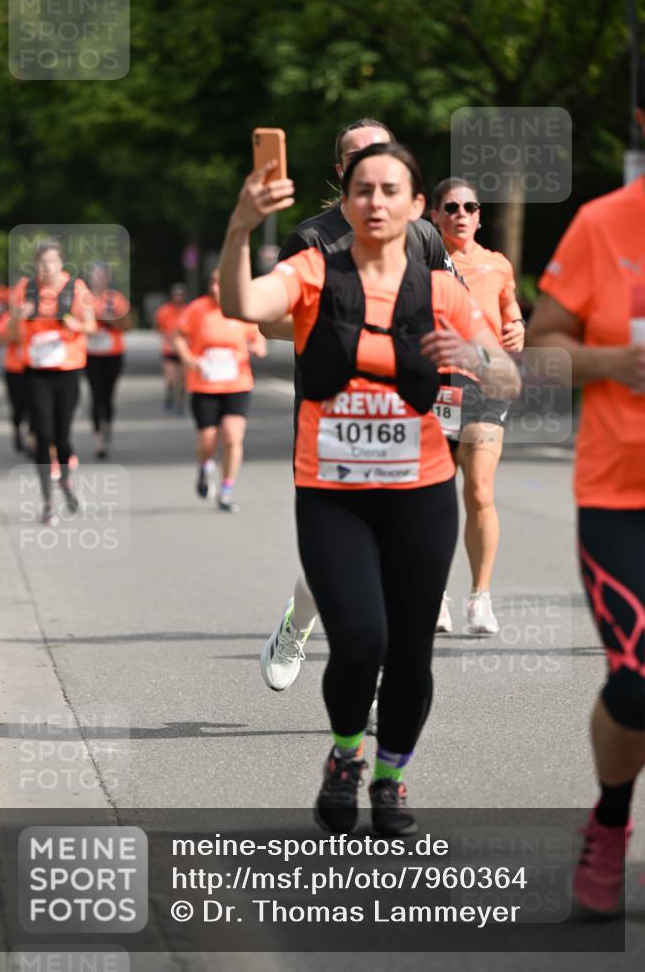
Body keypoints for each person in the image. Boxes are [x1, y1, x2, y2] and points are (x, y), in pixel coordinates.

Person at [219, 143, 520, 835]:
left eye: (390, 190)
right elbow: (242, 302)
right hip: (332, 493)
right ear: (345, 201)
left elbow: (506, 379)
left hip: (418, 492)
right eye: (362, 190)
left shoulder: (441, 288)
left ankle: (389, 776)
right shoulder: (311, 271)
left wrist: (471, 356)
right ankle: (346, 754)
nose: (375, 201)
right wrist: (239, 226)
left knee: (410, 648)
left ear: (415, 207)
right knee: (359, 642)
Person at [260, 118, 459, 694]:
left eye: (380, 151)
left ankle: (373, 692)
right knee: (344, 561)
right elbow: (272, 320)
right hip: (332, 424)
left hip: (410, 418)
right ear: (341, 171)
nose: (370, 162)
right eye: (356, 156)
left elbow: (452, 312)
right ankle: (298, 625)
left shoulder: (424, 235)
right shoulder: (310, 239)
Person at [528, 73, 645, 914]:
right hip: (621, 494)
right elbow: (541, 350)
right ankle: (609, 821)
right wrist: (610, 364)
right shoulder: (606, 225)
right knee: (639, 680)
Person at [429, 177, 525, 634]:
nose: (461, 214)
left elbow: (510, 310)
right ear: (434, 215)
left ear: (480, 216)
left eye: (470, 207)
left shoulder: (497, 264)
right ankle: (435, 596)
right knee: (434, 498)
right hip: (438, 387)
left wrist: (518, 326)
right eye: (451, 207)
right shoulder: (425, 264)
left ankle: (480, 598)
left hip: (486, 388)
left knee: (481, 492)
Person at [10, 240, 96, 523]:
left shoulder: (76, 289)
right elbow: (5, 332)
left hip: (67, 370)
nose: (47, 268)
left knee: (62, 437)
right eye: (42, 262)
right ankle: (47, 501)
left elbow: (91, 326)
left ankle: (66, 481)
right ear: (35, 264)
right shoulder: (25, 289)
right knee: (43, 436)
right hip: (36, 372)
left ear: (61, 263)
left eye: (52, 262)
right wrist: (16, 318)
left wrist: (76, 325)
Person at [173, 269, 267, 512]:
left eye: (221, 283)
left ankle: (226, 490)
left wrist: (257, 347)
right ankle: (205, 467)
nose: (216, 288)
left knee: (233, 437)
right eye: (213, 283)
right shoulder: (197, 309)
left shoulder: (241, 309)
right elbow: (179, 337)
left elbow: (258, 337)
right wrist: (187, 357)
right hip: (204, 382)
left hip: (237, 382)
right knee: (208, 442)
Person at [84, 262, 131, 459]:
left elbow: (126, 324)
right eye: (95, 275)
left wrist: (109, 319)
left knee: (108, 395)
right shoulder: (83, 298)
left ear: (107, 278)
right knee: (95, 394)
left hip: (112, 353)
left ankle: (107, 427)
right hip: (90, 353)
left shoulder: (115, 299)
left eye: (102, 276)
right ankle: (98, 438)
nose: (98, 279)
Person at [0, 306, 31, 454]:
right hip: (14, 369)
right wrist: (16, 325)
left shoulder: (46, 315)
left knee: (34, 407)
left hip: (36, 370)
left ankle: (32, 438)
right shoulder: (9, 316)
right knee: (18, 407)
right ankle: (18, 429)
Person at [155, 283, 188, 414]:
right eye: (176, 294)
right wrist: (165, 337)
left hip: (184, 349)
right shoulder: (164, 310)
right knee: (170, 378)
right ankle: (169, 396)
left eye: (181, 295)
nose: (178, 297)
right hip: (169, 349)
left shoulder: (189, 310)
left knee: (183, 380)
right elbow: (158, 326)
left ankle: (180, 404)